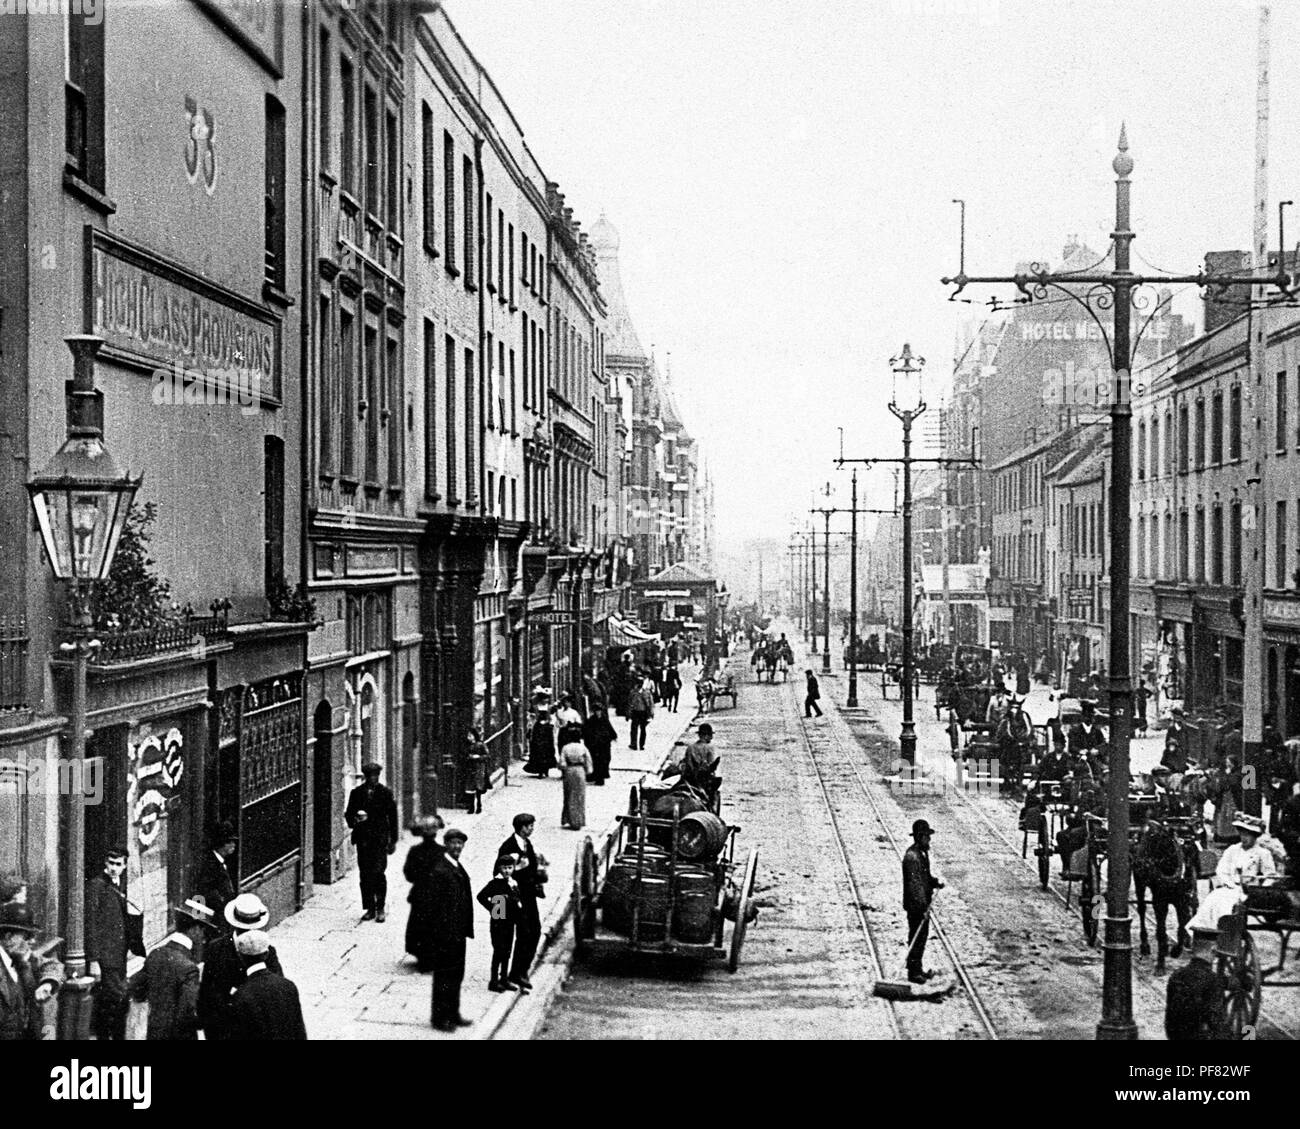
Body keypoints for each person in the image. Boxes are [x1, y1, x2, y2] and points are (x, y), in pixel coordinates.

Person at [198, 893, 283, 1041]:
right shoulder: (216, 949)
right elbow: (207, 995)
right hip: (223, 1030)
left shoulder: (268, 952)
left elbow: (276, 989)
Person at [132, 896, 219, 1040]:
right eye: (204, 931)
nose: (204, 938)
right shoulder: (189, 968)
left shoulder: (155, 954)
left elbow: (138, 990)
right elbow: (187, 1013)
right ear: (196, 929)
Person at [86, 846, 140, 1041]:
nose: (114, 868)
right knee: (115, 1000)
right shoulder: (97, 885)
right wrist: (93, 960)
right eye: (110, 863)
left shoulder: (119, 884)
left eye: (118, 864)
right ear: (105, 863)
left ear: (125, 865)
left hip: (119, 956)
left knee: (115, 1001)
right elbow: (91, 923)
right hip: (105, 958)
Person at [1188, 813, 1276, 932]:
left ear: (1255, 836)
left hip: (1249, 892)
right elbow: (1221, 870)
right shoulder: (1232, 850)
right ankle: (1207, 933)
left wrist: (1260, 888)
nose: (1244, 838)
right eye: (1242, 834)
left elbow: (1270, 876)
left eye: (1248, 835)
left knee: (1229, 905)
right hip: (1230, 887)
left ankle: (1228, 934)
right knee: (1213, 899)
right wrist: (1229, 883)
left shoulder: (1262, 853)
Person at [429, 828, 474, 1032]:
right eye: (454, 843)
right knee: (444, 976)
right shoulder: (440, 869)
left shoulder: (455, 865)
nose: (457, 847)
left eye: (460, 843)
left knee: (456, 974)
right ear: (446, 844)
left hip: (457, 932)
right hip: (445, 934)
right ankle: (440, 1018)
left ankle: (453, 1013)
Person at [344, 761, 399, 921]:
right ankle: (369, 908)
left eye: (375, 776)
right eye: (370, 776)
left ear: (378, 776)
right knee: (365, 874)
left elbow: (393, 817)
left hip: (379, 840)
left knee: (379, 873)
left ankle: (380, 907)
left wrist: (392, 840)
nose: (372, 779)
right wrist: (356, 820)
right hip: (363, 840)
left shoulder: (385, 793)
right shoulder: (357, 793)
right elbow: (349, 815)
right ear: (366, 777)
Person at [227, 930, 307, 1040]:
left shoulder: (240, 996)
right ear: (266, 954)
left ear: (241, 957)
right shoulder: (288, 986)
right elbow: (299, 1031)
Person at [0, 904, 61, 1041]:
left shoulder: (22, 956)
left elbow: (53, 965)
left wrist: (48, 983)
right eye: (27, 937)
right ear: (9, 937)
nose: (32, 941)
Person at [501, 814, 545, 991]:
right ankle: (516, 973)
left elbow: (532, 866)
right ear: (521, 827)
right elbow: (500, 873)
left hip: (529, 896)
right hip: (515, 898)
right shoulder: (509, 846)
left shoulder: (526, 844)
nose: (531, 829)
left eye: (532, 826)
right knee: (524, 933)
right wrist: (518, 867)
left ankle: (522, 969)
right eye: (529, 826)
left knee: (535, 931)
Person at [902, 819, 943, 984]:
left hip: (921, 904)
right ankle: (913, 972)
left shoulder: (921, 854)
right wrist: (922, 907)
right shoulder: (912, 857)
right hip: (916, 906)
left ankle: (917, 969)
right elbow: (915, 886)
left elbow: (924, 877)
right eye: (927, 836)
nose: (929, 839)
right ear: (919, 837)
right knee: (916, 938)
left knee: (921, 937)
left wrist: (934, 882)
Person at [1165, 932, 1228, 1040]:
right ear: (1213, 949)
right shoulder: (1212, 980)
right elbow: (1217, 1023)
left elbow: (1169, 1021)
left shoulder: (1175, 976)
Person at [404, 814, 446, 973]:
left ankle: (422, 956)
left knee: (419, 925)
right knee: (436, 925)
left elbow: (408, 874)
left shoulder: (415, 851)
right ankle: (433, 956)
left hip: (420, 894)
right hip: (437, 896)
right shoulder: (442, 852)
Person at [476, 854, 522, 993]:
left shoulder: (513, 882)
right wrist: (493, 908)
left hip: (509, 922)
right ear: (499, 868)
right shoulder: (495, 884)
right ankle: (494, 980)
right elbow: (481, 896)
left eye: (510, 868)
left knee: (507, 951)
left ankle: (504, 979)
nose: (507, 871)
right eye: (504, 868)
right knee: (498, 951)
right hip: (498, 923)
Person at [197, 822, 238, 926]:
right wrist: (223, 904)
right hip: (216, 914)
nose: (234, 845)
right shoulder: (210, 863)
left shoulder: (222, 861)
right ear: (221, 843)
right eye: (229, 842)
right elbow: (207, 890)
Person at [559, 725, 594, 830]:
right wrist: (588, 771)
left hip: (570, 771)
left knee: (569, 795)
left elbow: (562, 763)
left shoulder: (565, 747)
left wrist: (564, 768)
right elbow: (588, 761)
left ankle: (569, 819)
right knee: (579, 796)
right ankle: (578, 820)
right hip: (580, 771)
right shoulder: (583, 748)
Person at [996, 699, 1033, 795]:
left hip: (1022, 742)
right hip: (1009, 742)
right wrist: (1010, 738)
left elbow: (1029, 729)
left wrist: (1023, 739)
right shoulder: (1006, 717)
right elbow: (1004, 729)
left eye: (1017, 707)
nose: (1015, 710)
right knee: (1004, 756)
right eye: (1013, 707)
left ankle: (1018, 782)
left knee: (1023, 758)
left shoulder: (1024, 715)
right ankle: (1007, 780)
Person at [581, 706, 618, 786]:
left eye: (599, 711)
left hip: (604, 744)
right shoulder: (591, 720)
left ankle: (600, 776)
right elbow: (586, 730)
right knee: (597, 761)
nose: (598, 712)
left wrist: (614, 736)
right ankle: (598, 778)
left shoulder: (604, 719)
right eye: (596, 711)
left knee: (605, 760)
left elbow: (609, 728)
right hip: (595, 744)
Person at [524, 709, 557, 776]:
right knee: (545, 758)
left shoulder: (537, 725)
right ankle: (545, 771)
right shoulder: (548, 725)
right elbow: (550, 737)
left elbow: (534, 735)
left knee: (540, 758)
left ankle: (541, 772)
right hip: (546, 745)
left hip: (539, 745)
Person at [463, 727, 488, 814]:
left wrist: (479, 757)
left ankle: (479, 805)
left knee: (478, 787)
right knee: (470, 788)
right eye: (468, 735)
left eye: (470, 735)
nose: (468, 737)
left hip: (479, 768)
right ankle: (471, 807)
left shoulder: (480, 744)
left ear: (474, 735)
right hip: (470, 768)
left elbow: (487, 756)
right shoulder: (467, 745)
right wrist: (469, 757)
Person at [627, 675, 655, 751]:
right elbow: (651, 704)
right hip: (644, 713)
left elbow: (630, 704)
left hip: (635, 712)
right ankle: (641, 745)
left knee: (634, 729)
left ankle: (634, 744)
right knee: (643, 729)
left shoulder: (633, 692)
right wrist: (651, 714)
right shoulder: (647, 692)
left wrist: (628, 714)